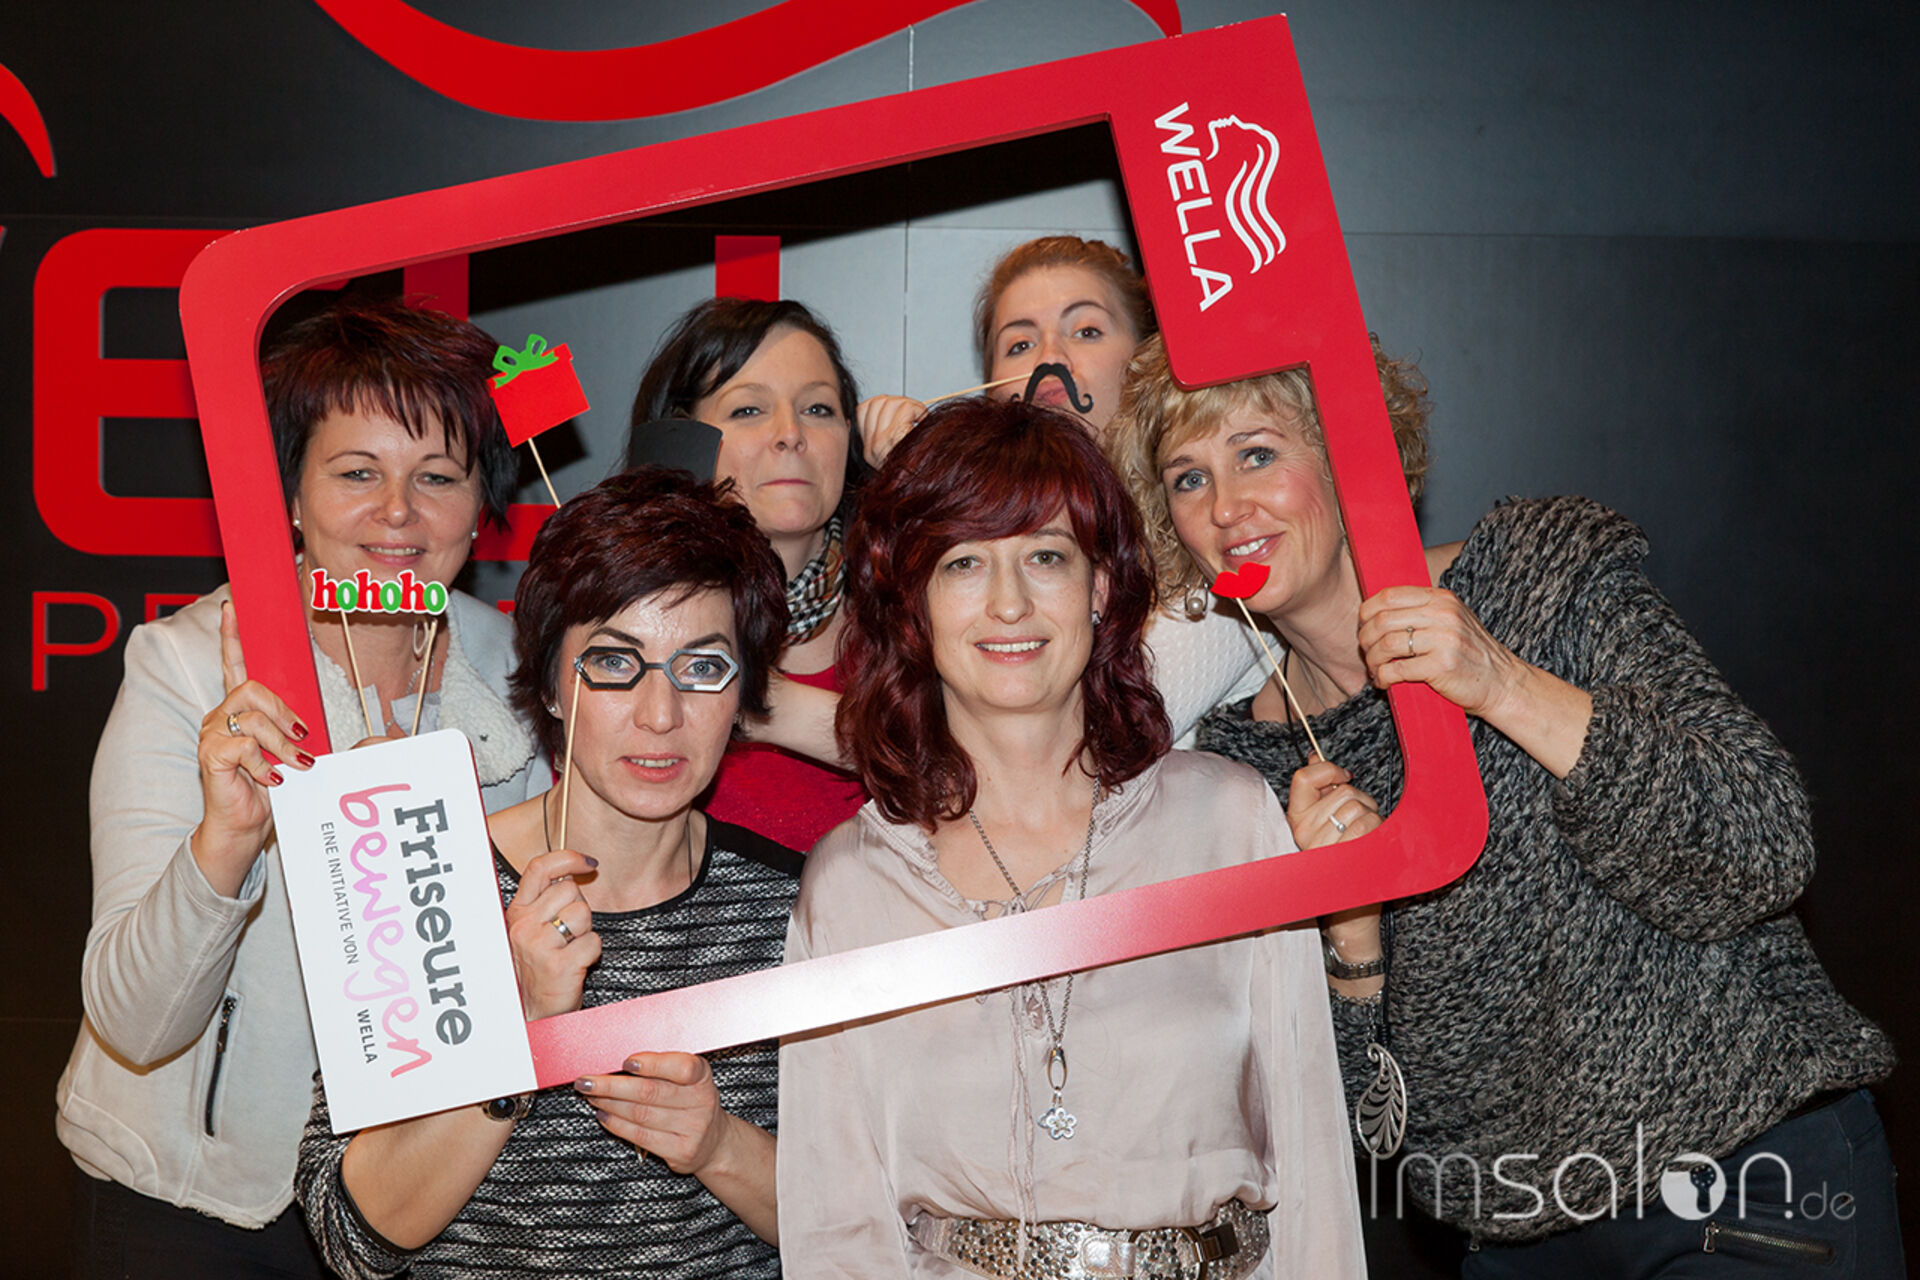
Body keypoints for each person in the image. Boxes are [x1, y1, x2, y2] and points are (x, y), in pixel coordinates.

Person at [1109, 332, 1904, 1274]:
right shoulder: (1242, 764)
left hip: (1740, 1182)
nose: (1225, 507)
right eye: (1188, 478)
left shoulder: (1534, 573)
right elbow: (1360, 1132)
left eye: (1256, 454)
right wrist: (1354, 943)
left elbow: (1762, 844)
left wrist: (1503, 683)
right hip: (1514, 1240)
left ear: (1348, 452)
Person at [776, 397, 1367, 1278]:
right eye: (964, 563)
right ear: (911, 605)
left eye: (1045, 557)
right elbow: (836, 1227)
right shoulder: (853, 883)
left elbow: (1313, 1155)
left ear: (1099, 587)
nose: (1009, 602)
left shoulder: (1231, 820)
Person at [57, 297, 547, 1278]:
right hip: (197, 1201)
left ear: (481, 503)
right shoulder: (188, 666)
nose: (398, 511)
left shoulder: (523, 669)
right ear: (289, 493)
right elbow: (135, 1022)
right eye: (357, 471)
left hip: (423, 1195)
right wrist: (229, 839)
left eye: (437, 475)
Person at [297, 468, 798, 1277]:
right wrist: (520, 1030)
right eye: (614, 663)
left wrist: (718, 1146)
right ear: (552, 687)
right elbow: (353, 1239)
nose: (660, 715)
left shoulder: (792, 904)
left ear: (742, 695)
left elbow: (867, 1225)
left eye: (703, 669)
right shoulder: (425, 876)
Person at [627, 297, 866, 851]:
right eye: (748, 410)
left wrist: (751, 698)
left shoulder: (912, 611)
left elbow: (989, 768)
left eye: (818, 408)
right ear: (681, 441)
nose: (790, 433)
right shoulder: (622, 623)